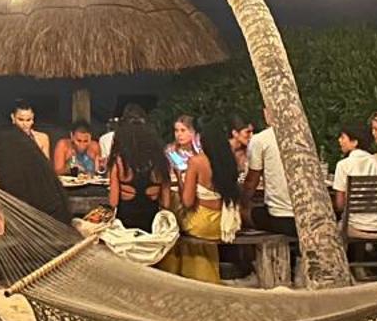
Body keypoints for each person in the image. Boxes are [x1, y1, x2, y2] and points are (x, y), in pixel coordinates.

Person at [165, 113, 227, 283]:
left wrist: (180, 178)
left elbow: (187, 201)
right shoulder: (224, 158)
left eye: (183, 130)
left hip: (203, 221)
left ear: (196, 135)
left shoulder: (197, 160)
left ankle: (175, 272)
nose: (179, 134)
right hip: (222, 219)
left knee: (170, 213)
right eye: (176, 130)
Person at [0, 124, 74, 227]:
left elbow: (11, 196)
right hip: (59, 219)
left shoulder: (12, 160)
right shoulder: (33, 157)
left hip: (45, 223)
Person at [106, 106, 169, 232]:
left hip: (125, 226)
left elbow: (113, 202)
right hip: (151, 226)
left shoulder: (119, 161)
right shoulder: (160, 160)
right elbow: (166, 203)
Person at [241, 106, 298, 240]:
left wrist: (242, 201)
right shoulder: (302, 135)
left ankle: (244, 260)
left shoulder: (261, 139)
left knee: (239, 213)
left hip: (280, 218)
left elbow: (251, 182)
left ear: (268, 112)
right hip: (307, 218)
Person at [331, 120, 377, 236]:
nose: (339, 140)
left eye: (343, 137)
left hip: (356, 225)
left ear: (354, 142)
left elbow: (340, 204)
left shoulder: (344, 165)